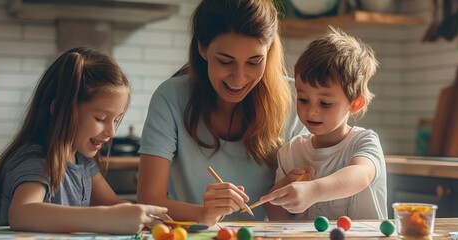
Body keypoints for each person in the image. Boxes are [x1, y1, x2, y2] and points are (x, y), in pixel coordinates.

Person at [136, 0, 307, 226]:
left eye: (254, 62)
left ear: (269, 51)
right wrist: (202, 214)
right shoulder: (171, 97)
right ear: (202, 48)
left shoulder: (297, 99)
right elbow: (149, 200)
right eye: (226, 61)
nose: (239, 78)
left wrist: (301, 187)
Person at [0, 47, 167, 234]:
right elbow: (23, 214)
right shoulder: (36, 160)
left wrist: (139, 214)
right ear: (59, 110)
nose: (112, 132)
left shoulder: (83, 162)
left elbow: (113, 206)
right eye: (100, 119)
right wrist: (106, 218)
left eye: (116, 120)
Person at [261, 27, 387, 220]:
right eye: (303, 99)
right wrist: (285, 187)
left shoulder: (363, 142)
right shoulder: (291, 152)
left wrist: (313, 190)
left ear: (355, 104)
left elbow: (361, 175)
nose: (311, 111)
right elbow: (277, 218)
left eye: (325, 103)